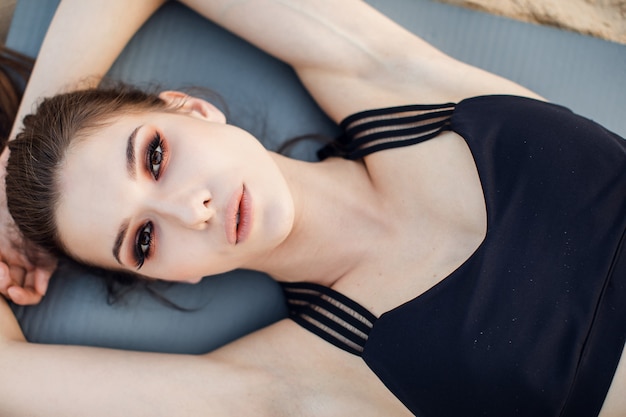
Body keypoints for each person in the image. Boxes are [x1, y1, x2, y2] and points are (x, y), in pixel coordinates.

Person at [2, 0, 626, 416]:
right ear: (170, 275)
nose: (189, 209)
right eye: (142, 241)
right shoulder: (298, 379)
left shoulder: (390, 82)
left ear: (190, 108)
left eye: (156, 156)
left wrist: (13, 163)